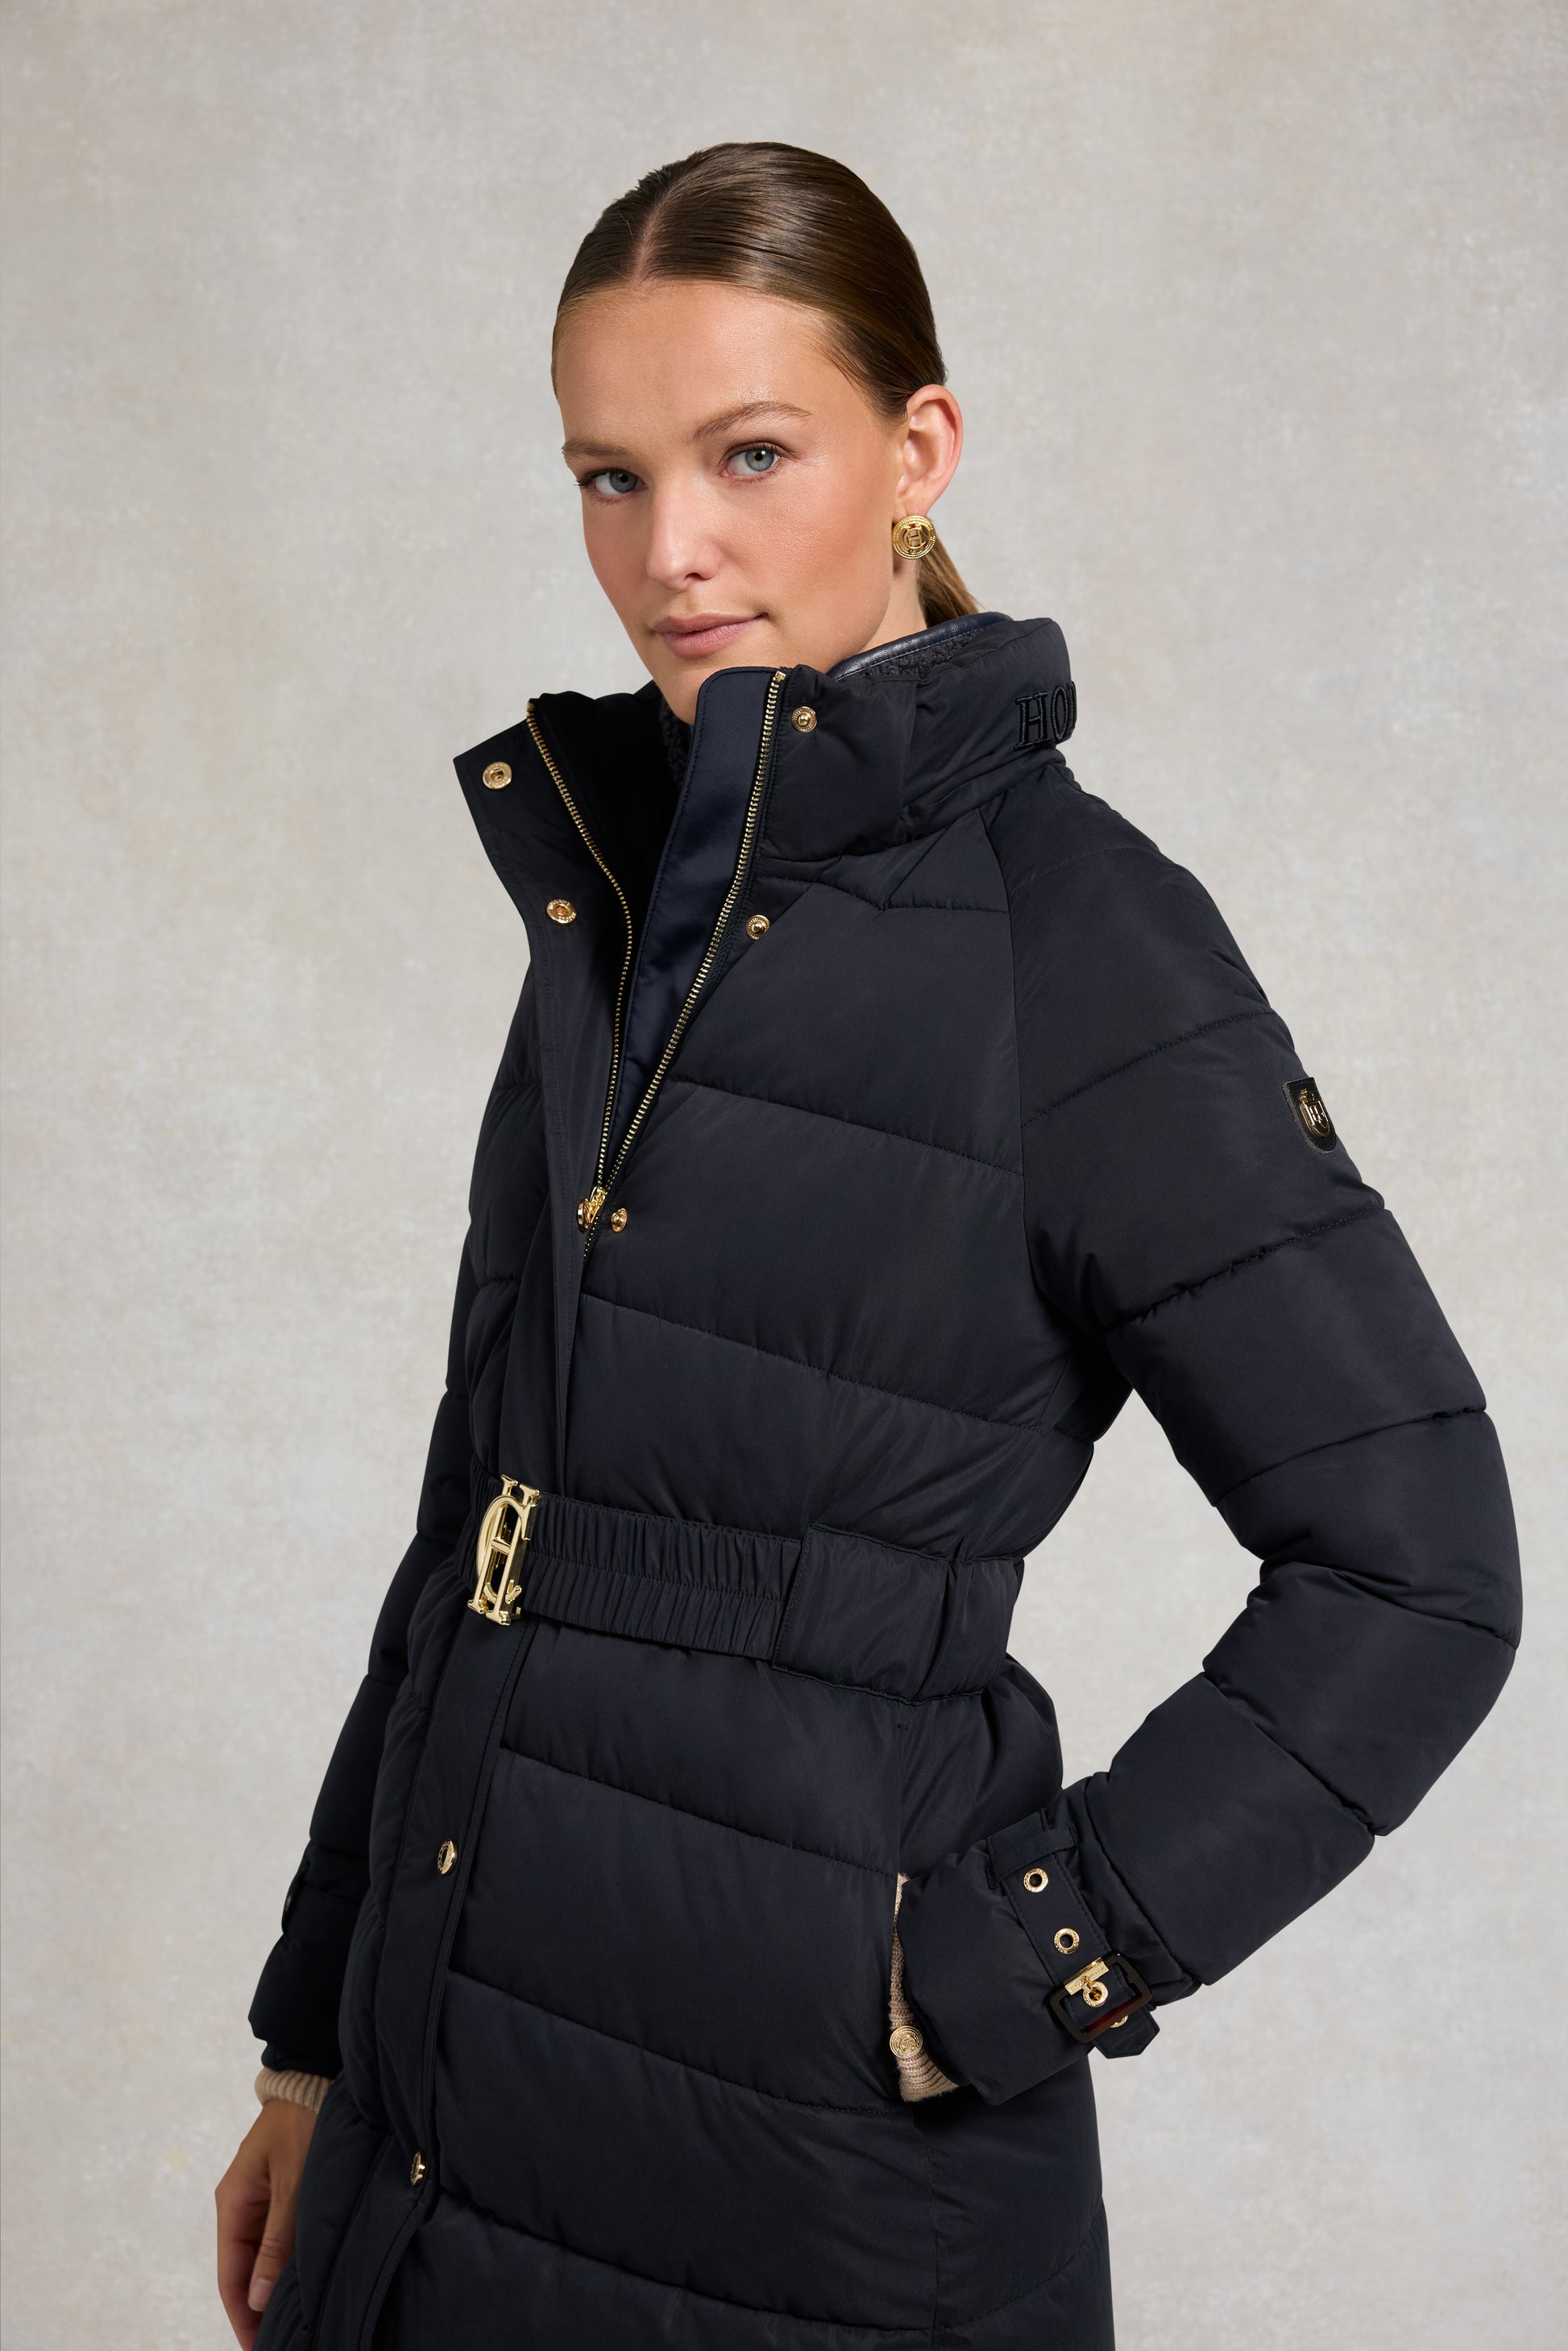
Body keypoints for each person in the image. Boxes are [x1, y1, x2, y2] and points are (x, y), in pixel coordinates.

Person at [216, 143, 1520, 2351]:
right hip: (442, 2112)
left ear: (916, 451)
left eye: (749, 455)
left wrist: (1021, 1963)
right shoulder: (623, 889)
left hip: (817, 2183)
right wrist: (312, 2041)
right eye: (609, 477)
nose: (670, 550)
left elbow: (1419, 1570)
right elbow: (483, 1517)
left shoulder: (1081, 947)